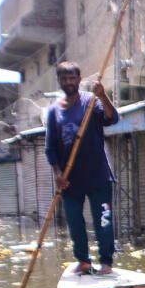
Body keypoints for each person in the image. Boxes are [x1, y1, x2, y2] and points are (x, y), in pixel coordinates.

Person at [45, 61, 120, 275]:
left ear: (78, 80)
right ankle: (84, 262)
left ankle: (106, 263)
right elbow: (50, 148)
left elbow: (112, 118)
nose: (69, 82)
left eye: (72, 78)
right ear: (59, 81)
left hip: (98, 176)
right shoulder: (53, 112)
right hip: (70, 180)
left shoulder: (91, 102)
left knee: (104, 220)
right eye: (64, 78)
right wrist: (58, 175)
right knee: (75, 222)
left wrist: (103, 95)